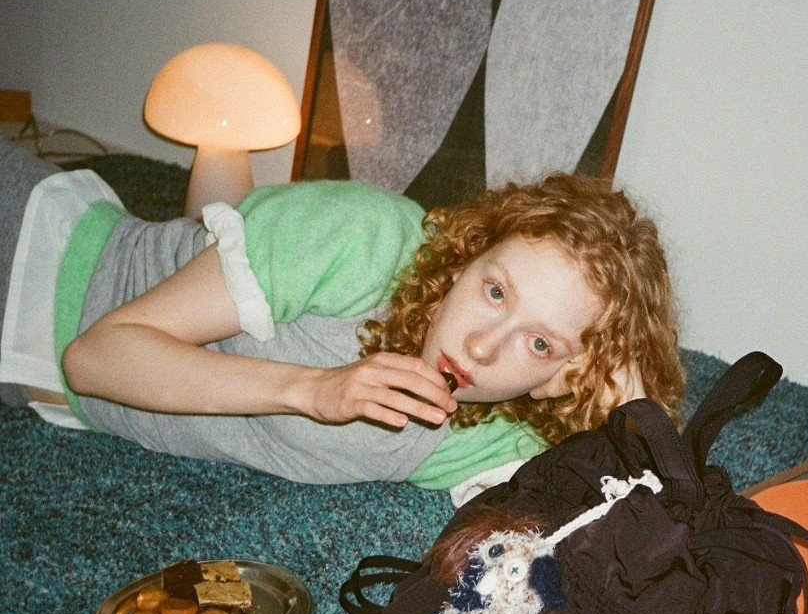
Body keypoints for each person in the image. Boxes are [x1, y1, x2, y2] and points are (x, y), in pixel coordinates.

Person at [0, 138, 683, 497]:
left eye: (539, 344)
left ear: (562, 376)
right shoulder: (362, 239)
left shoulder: (494, 433)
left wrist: (630, 404)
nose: (481, 346)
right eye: (496, 291)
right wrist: (313, 390)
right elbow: (94, 358)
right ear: (469, 254)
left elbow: (640, 508)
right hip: (33, 255)